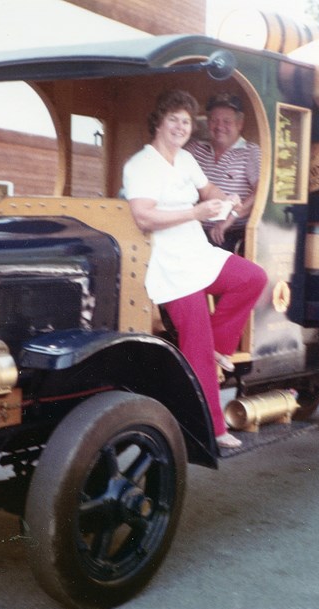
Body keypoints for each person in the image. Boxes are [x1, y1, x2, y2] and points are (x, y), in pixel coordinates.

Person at [123, 90, 267, 451]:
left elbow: (209, 188)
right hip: (165, 262)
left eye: (186, 121)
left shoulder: (186, 159)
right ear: (159, 121)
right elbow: (143, 217)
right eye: (173, 119)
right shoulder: (141, 164)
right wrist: (196, 214)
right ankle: (211, 428)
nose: (180, 127)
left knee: (252, 278)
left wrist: (226, 200)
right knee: (195, 346)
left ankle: (219, 347)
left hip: (195, 251)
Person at [185, 92, 261, 252]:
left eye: (227, 121)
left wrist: (231, 217)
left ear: (240, 124)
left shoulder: (250, 152)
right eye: (214, 120)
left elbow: (261, 192)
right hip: (192, 230)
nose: (219, 127)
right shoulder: (194, 149)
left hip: (230, 235)